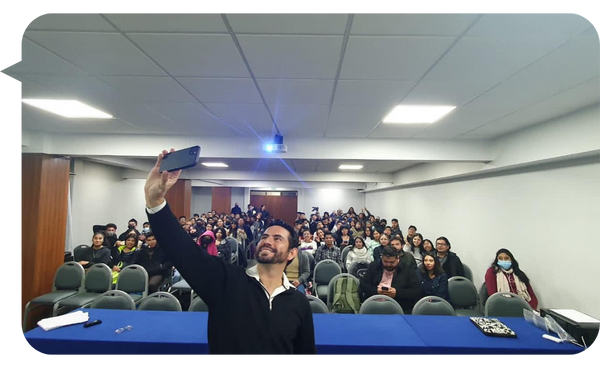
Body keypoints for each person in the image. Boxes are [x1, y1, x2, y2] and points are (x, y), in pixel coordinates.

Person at [144, 149, 316, 357]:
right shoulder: (226, 281)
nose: (267, 241)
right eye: (264, 237)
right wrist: (155, 203)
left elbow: (304, 353)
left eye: (277, 238)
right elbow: (183, 251)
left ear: (292, 253)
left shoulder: (298, 303)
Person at [359, 246, 421, 314]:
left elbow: (416, 291)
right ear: (382, 258)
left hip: (399, 305)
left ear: (398, 258)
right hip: (374, 303)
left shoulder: (407, 269)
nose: (388, 264)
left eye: (392, 262)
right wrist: (376, 290)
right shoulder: (374, 266)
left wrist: (397, 293)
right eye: (385, 261)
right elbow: (363, 285)